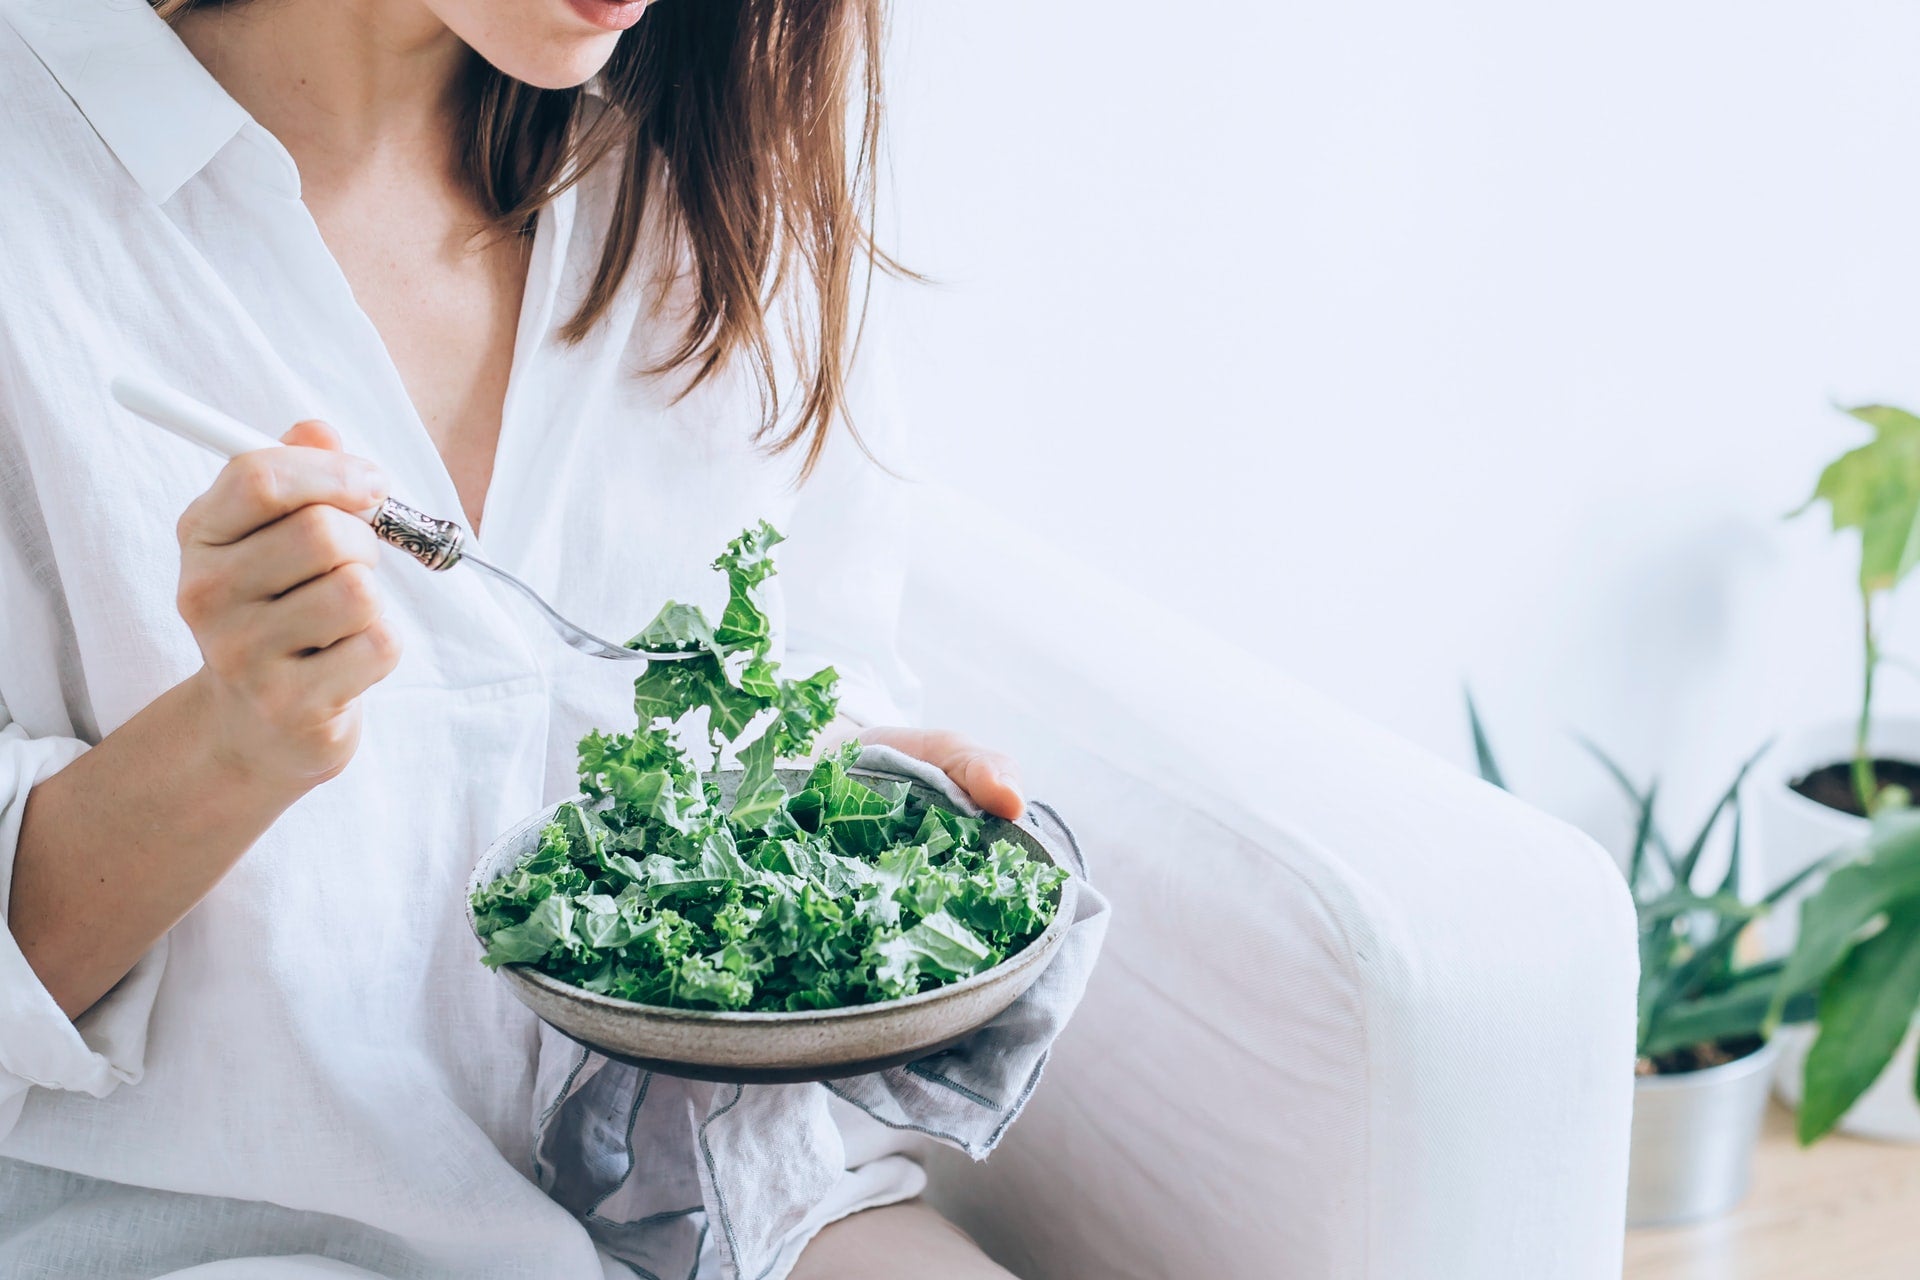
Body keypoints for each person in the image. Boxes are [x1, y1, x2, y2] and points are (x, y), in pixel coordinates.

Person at [0, 0, 1026, 1275]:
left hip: (739, 1206)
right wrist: (234, 742)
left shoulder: (716, 162)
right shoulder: (33, 190)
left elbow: (812, 660)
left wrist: (836, 797)